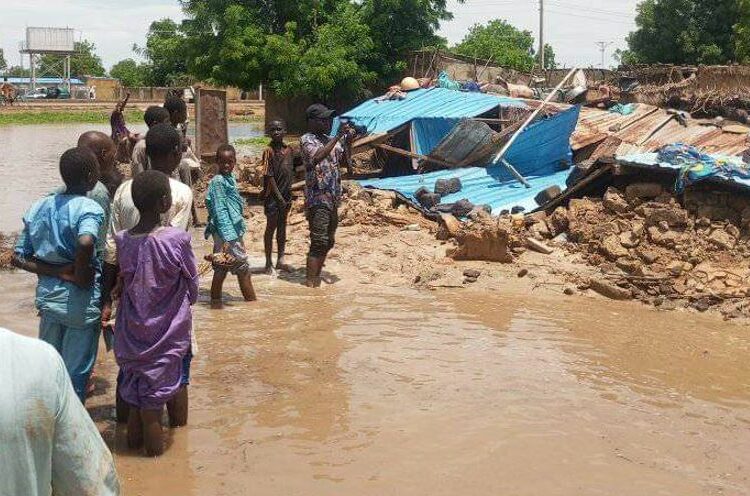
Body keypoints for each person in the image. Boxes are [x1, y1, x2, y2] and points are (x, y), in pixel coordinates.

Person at [102, 123, 194, 422]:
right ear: (175, 153)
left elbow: (113, 249)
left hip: (131, 299)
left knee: (130, 370)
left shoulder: (124, 190)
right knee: (176, 368)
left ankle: (126, 430)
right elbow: (173, 249)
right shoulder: (179, 193)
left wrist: (107, 297)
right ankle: (177, 441)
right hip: (167, 304)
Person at [114, 170, 198, 457]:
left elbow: (125, 278)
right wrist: (191, 302)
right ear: (165, 202)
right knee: (152, 408)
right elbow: (192, 280)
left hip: (132, 332)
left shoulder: (123, 239)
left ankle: (132, 465)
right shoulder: (176, 240)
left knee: (137, 398)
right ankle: (156, 466)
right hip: (166, 334)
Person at [12, 148, 105, 402]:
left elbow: (18, 257)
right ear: (90, 176)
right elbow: (86, 242)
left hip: (48, 301)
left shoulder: (40, 206)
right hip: (80, 304)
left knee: (49, 371)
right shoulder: (89, 207)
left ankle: (47, 429)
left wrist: (56, 271)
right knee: (75, 376)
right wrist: (80, 275)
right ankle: (71, 432)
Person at [0, 326, 120, 495]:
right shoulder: (39, 361)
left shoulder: (39, 361)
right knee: (76, 373)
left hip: (54, 311)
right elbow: (91, 486)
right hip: (78, 318)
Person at [300, 104, 354, 287]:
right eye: (323, 119)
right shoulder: (307, 140)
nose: (328, 122)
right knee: (319, 240)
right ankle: (311, 281)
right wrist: (338, 136)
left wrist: (348, 142)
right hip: (317, 197)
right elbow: (316, 157)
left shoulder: (331, 140)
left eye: (329, 119)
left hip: (333, 196)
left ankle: (316, 274)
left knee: (329, 240)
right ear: (312, 122)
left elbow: (347, 164)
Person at [205, 144, 256, 308]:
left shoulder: (230, 179)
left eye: (230, 162)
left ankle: (215, 304)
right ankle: (253, 306)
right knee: (243, 269)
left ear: (235, 162)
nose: (227, 165)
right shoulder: (218, 181)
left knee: (221, 268)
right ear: (216, 162)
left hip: (228, 232)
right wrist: (229, 239)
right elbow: (220, 211)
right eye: (223, 162)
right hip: (226, 233)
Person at [261, 119, 300, 273]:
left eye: (279, 129)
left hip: (286, 195)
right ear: (269, 133)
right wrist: (278, 198)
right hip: (273, 197)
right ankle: (268, 262)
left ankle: (280, 259)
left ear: (285, 131)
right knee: (271, 228)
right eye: (273, 129)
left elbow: (295, 169)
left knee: (282, 227)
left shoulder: (290, 150)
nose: (276, 132)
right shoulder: (268, 151)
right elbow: (269, 176)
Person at [164, 94, 202, 226]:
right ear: (175, 113)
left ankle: (194, 218)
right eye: (184, 111)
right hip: (173, 170)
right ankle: (191, 218)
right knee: (182, 194)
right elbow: (181, 148)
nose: (186, 114)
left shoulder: (174, 128)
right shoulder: (173, 131)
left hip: (176, 167)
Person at [78, 130, 122, 198]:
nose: (115, 160)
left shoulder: (69, 186)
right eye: (114, 154)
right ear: (104, 154)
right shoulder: (98, 193)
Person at [130, 105, 171, 177]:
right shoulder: (142, 147)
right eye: (167, 122)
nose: (169, 124)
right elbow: (138, 174)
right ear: (155, 124)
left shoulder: (168, 142)